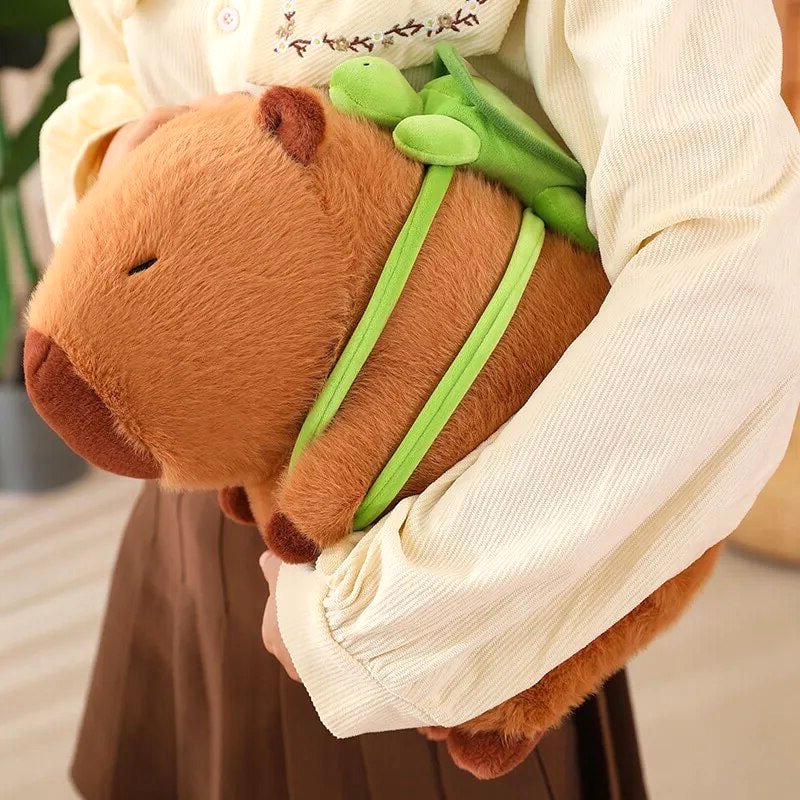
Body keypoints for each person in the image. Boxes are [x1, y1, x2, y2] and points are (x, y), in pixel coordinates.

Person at [40, 1, 799, 798]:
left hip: (458, 545)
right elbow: (117, 61)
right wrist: (120, 162)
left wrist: (373, 626)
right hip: (199, 516)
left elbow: (728, 266)